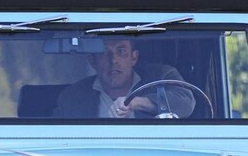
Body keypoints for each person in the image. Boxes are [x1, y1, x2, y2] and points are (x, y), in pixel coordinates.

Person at [53, 39, 195, 119]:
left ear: (133, 58)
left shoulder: (161, 76)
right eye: (103, 53)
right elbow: (57, 137)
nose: (113, 60)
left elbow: (186, 103)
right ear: (92, 61)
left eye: (121, 51)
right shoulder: (73, 96)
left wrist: (137, 102)